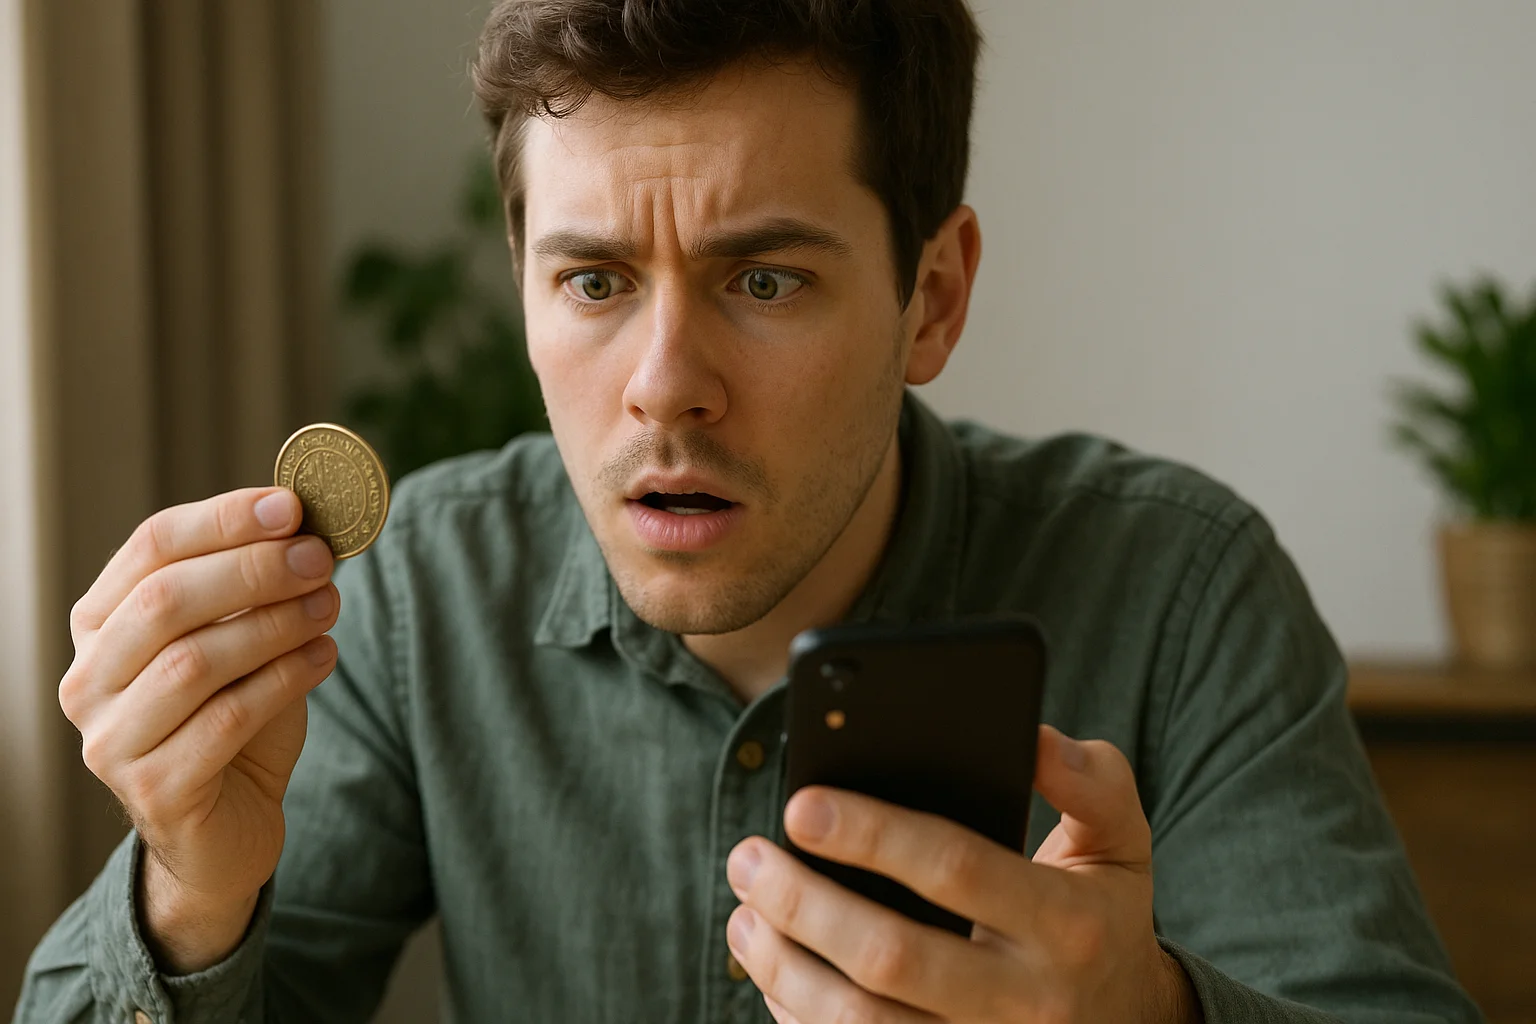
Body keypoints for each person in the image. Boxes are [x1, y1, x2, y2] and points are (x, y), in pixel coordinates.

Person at [15, 1, 1484, 1022]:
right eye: (594, 282)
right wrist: (189, 895)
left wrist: (1155, 1018)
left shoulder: (1182, 586)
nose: (664, 390)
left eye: (764, 280)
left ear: (934, 296)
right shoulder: (413, 607)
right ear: (522, 288)